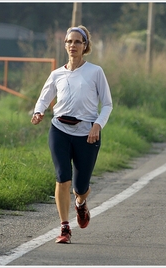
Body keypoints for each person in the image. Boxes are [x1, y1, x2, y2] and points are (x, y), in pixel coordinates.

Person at [31, 25, 113, 244]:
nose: (73, 45)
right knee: (62, 177)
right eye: (69, 41)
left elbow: (107, 104)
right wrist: (39, 111)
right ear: (64, 44)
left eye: (78, 42)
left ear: (85, 46)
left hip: (87, 133)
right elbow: (44, 96)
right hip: (59, 129)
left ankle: (80, 203)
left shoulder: (95, 72)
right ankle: (65, 227)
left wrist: (97, 125)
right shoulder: (57, 74)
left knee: (81, 187)